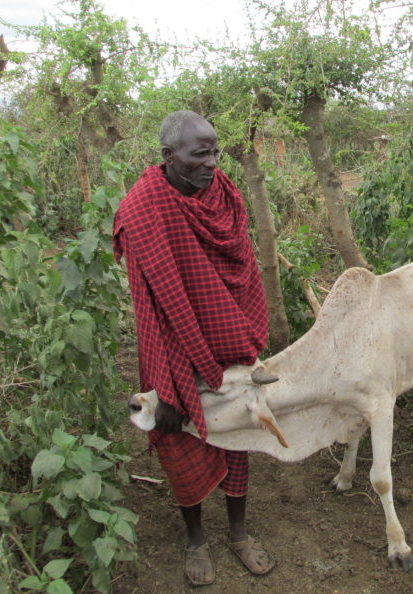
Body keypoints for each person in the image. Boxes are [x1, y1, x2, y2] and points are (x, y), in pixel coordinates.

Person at [114, 111, 275, 586]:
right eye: (199, 154)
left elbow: (242, 271)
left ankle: (239, 533)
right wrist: (164, 386)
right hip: (172, 350)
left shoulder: (223, 194)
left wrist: (242, 343)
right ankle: (196, 539)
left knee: (239, 437)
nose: (211, 163)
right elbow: (152, 306)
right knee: (177, 437)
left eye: (215, 151)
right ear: (168, 157)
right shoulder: (144, 207)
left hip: (231, 349)